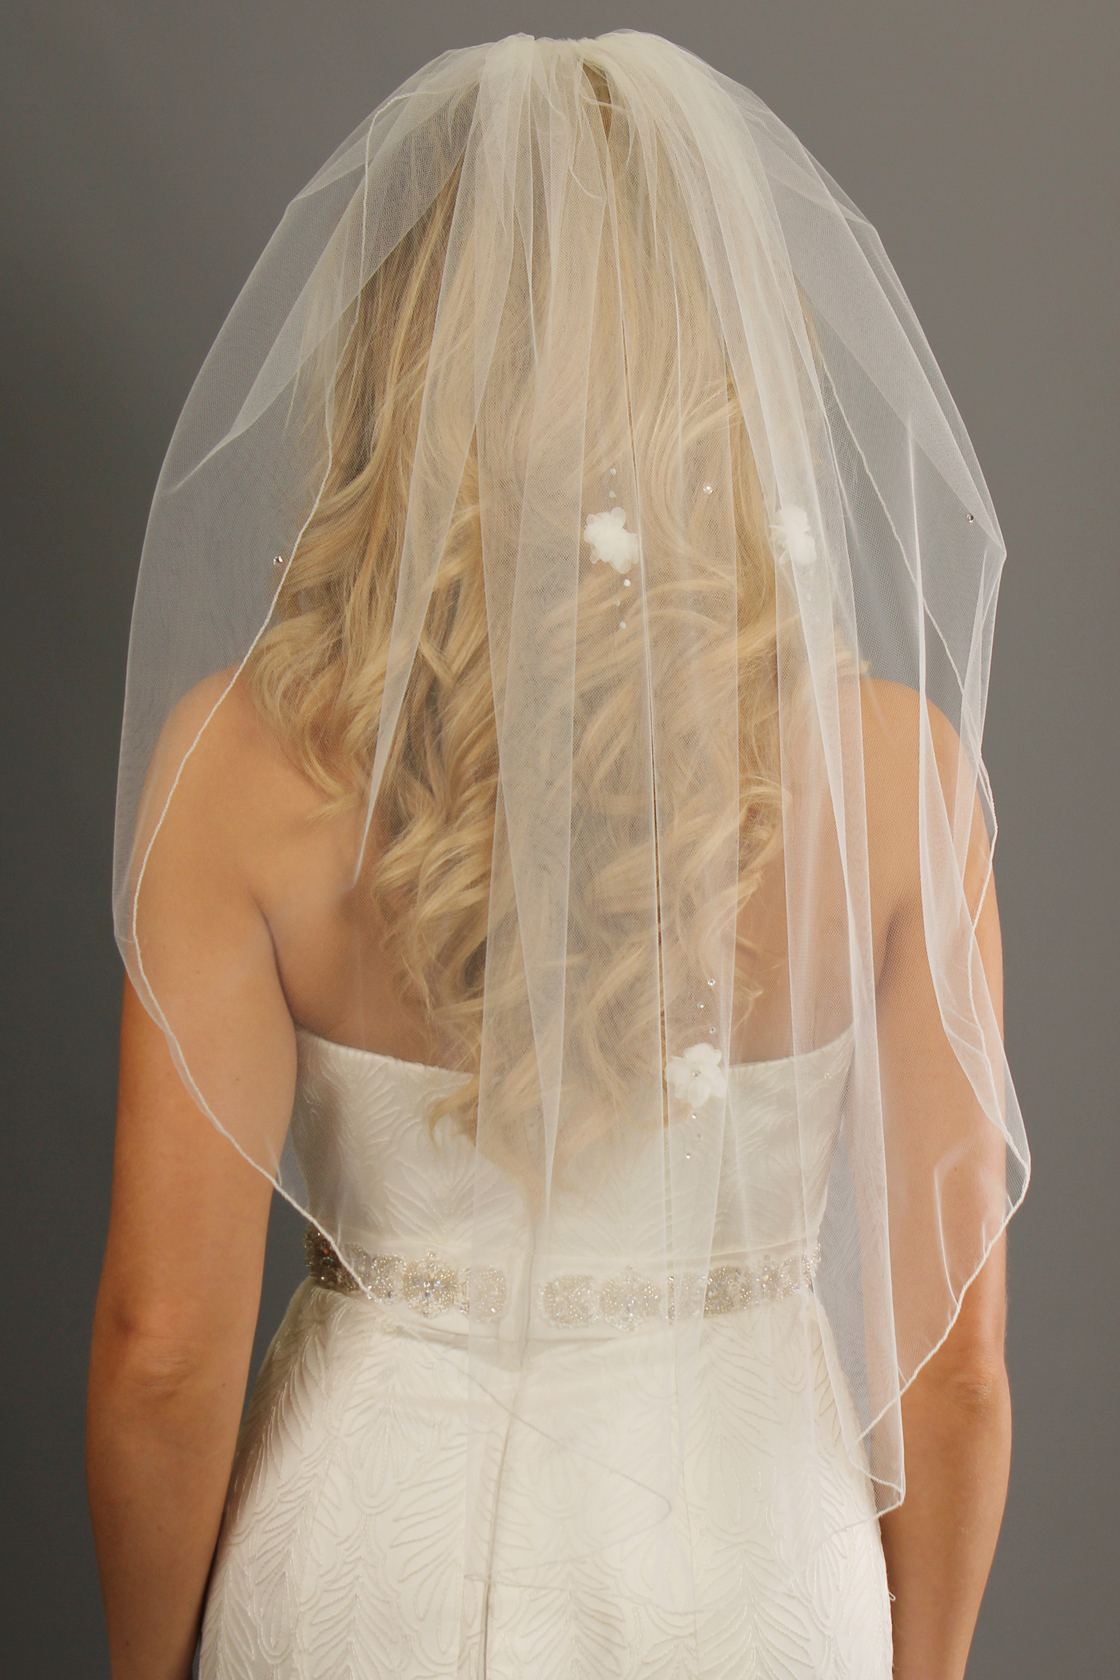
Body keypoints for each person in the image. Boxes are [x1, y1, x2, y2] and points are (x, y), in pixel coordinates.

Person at [86, 30, 1028, 1680]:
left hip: (367, 1579)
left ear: (399, 367)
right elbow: (950, 1371)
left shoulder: (243, 766)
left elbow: (164, 1350)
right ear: (729, 375)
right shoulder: (896, 780)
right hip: (748, 1578)